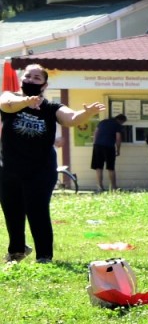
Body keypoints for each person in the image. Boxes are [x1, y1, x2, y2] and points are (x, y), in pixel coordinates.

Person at [2, 63, 102, 262]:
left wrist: (86, 114)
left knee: (37, 209)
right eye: (28, 76)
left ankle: (44, 256)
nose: (31, 80)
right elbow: (7, 105)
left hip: (40, 169)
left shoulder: (51, 108)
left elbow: (70, 118)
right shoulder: (8, 96)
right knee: (12, 209)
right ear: (22, 79)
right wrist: (26, 102)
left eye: (37, 78)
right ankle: (16, 252)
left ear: (45, 85)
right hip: (9, 167)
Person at [91, 113, 124, 192]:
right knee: (110, 168)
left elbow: (95, 132)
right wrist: (118, 149)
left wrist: (95, 144)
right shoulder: (117, 124)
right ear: (121, 120)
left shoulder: (102, 122)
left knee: (98, 167)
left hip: (98, 146)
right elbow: (118, 138)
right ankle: (114, 187)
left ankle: (99, 187)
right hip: (109, 147)